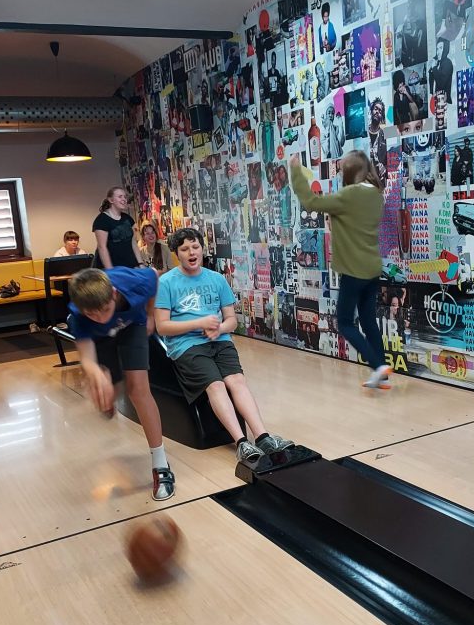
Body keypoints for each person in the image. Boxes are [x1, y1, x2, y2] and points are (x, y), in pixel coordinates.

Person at [155, 227, 295, 464]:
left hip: (219, 340)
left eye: (195, 247)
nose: (191, 252)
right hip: (186, 345)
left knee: (237, 381)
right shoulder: (166, 282)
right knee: (216, 385)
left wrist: (218, 329)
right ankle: (241, 442)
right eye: (185, 249)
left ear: (202, 249)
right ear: (177, 254)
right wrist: (199, 323)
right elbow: (162, 326)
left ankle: (263, 437)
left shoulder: (217, 279)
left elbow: (231, 321)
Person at [67, 266, 174, 501]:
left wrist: (150, 315)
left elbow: (154, 276)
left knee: (138, 391)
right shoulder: (79, 314)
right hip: (100, 337)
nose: (101, 317)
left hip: (132, 326)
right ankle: (111, 393)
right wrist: (95, 373)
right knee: (104, 391)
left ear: (114, 294)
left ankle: (161, 465)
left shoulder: (136, 282)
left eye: (105, 310)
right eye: (92, 314)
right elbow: (87, 358)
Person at [289, 151, 391, 389]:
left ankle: (378, 366)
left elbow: (311, 202)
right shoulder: (376, 195)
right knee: (368, 321)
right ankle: (382, 375)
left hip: (353, 270)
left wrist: (295, 171)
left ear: (349, 172)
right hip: (372, 269)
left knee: (344, 322)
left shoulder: (348, 195)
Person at [92, 186, 143, 270]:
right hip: (112, 267)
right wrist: (111, 271)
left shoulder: (128, 218)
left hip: (129, 266)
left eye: (125, 197)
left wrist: (140, 263)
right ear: (111, 200)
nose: (124, 199)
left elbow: (133, 243)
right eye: (120, 197)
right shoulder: (101, 220)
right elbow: (102, 247)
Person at [429, 38, 454, 104]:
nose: (438, 52)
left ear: (445, 49)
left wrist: (434, 68)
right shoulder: (437, 63)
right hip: (437, 100)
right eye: (437, 49)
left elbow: (441, 84)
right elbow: (432, 79)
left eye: (441, 48)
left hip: (444, 103)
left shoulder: (447, 63)